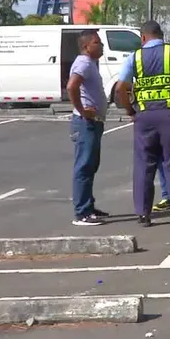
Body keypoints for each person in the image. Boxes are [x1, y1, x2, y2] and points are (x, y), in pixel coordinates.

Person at [115, 21, 170, 227]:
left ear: (143, 38)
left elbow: (120, 88)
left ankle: (143, 215)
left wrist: (130, 110)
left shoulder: (135, 57)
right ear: (162, 35)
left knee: (144, 165)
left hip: (144, 117)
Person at [66, 29, 109, 226]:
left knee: (91, 166)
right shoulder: (83, 62)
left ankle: (89, 207)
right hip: (85, 123)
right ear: (86, 46)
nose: (101, 46)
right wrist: (82, 110)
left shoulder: (90, 63)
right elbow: (72, 86)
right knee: (84, 166)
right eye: (97, 42)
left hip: (94, 122)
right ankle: (81, 212)